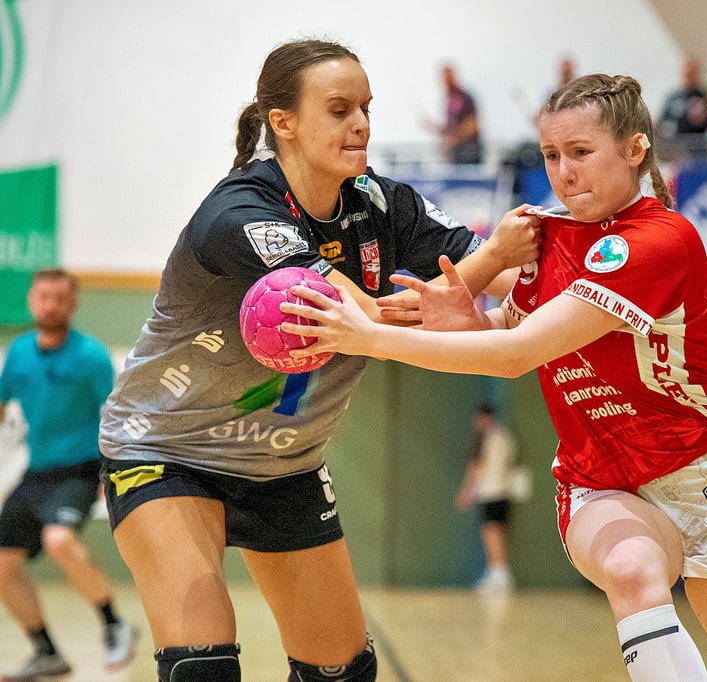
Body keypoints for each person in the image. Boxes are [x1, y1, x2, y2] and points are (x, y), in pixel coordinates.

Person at [286, 72, 707, 682]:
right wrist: (470, 320)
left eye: (581, 153)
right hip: (600, 480)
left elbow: (519, 353)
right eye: (552, 156)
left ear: (635, 150)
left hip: (704, 470)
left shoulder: (661, 240)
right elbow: (509, 327)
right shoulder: (544, 236)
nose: (564, 172)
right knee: (633, 569)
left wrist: (369, 337)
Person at [97, 38, 539, 682]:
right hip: (168, 450)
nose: (360, 123)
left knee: (343, 672)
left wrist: (559, 279)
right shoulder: (240, 213)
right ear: (284, 122)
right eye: (338, 109)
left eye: (366, 107)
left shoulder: (386, 205)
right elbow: (358, 319)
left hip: (285, 462)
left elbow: (500, 284)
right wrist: (492, 259)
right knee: (203, 668)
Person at [0, 268, 138, 680]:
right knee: (3, 564)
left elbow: (115, 415)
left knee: (58, 539)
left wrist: (108, 472)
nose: (50, 305)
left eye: (60, 298)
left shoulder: (91, 356)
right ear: (31, 301)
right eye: (43, 297)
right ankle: (46, 653)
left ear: (73, 304)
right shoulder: (20, 352)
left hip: (79, 471)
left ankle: (114, 624)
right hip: (36, 472)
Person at [455, 401, 518, 593]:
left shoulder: (489, 438)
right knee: (493, 533)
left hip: (491, 493)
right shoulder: (505, 436)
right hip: (502, 492)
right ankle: (495, 574)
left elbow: (477, 468)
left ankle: (500, 575)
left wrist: (466, 492)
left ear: (484, 417)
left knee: (492, 534)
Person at [657, 56, 707, 158]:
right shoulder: (673, 97)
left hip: (700, 149)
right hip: (677, 148)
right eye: (686, 74)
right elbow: (662, 120)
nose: (689, 77)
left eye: (692, 73)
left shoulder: (705, 97)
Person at [434, 63, 482, 164]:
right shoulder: (449, 100)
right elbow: (450, 128)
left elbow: (474, 125)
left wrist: (455, 138)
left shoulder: (464, 97)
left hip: (468, 152)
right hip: (455, 154)